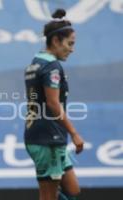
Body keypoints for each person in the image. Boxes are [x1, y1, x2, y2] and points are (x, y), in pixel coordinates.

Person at [24, 9, 84, 200]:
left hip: (42, 134)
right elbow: (53, 104)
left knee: (72, 191)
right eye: (70, 43)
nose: (72, 49)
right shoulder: (51, 66)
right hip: (47, 138)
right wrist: (74, 133)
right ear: (56, 40)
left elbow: (35, 99)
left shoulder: (35, 63)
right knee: (48, 196)